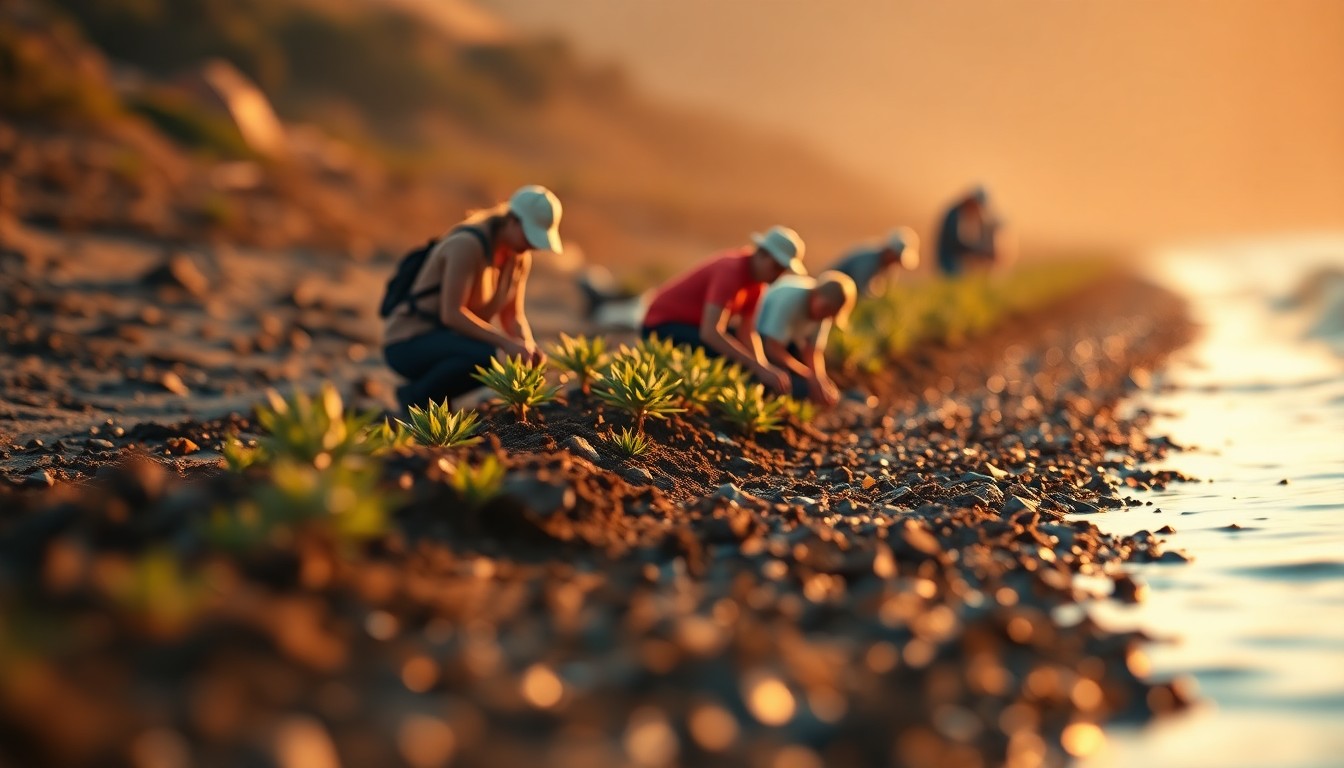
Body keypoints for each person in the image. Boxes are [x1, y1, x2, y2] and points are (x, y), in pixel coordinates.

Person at [382, 185, 562, 410]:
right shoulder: (467, 246)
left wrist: (528, 348)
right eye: (530, 235)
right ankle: (415, 397)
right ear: (512, 220)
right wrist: (507, 344)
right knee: (490, 356)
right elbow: (452, 315)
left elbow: (513, 316)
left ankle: (434, 403)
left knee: (491, 354)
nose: (533, 245)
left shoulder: (518, 258)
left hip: (450, 341)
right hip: (408, 343)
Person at [639, 226, 806, 393]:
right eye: (776, 267)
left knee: (742, 355)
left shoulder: (757, 283)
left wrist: (763, 365)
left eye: (782, 270)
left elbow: (747, 331)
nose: (777, 275)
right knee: (732, 360)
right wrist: (757, 367)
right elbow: (710, 332)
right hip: (661, 326)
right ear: (762, 253)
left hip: (695, 326)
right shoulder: (731, 271)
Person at [755, 270, 857, 405]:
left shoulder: (822, 311)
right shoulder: (791, 300)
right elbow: (771, 347)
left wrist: (821, 380)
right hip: (759, 338)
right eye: (826, 310)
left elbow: (812, 350)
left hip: (783, 341)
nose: (826, 316)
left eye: (830, 314)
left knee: (809, 386)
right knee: (795, 387)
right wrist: (809, 376)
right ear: (815, 293)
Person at [935, 185, 1010, 277]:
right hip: (949, 263)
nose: (976, 211)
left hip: (956, 261)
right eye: (977, 207)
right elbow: (957, 243)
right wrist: (980, 251)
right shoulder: (954, 216)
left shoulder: (960, 213)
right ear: (971, 201)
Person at [830, 226, 921, 296]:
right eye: (896, 258)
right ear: (889, 251)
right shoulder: (868, 260)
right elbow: (861, 289)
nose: (896, 263)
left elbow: (886, 289)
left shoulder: (887, 264)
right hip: (834, 289)